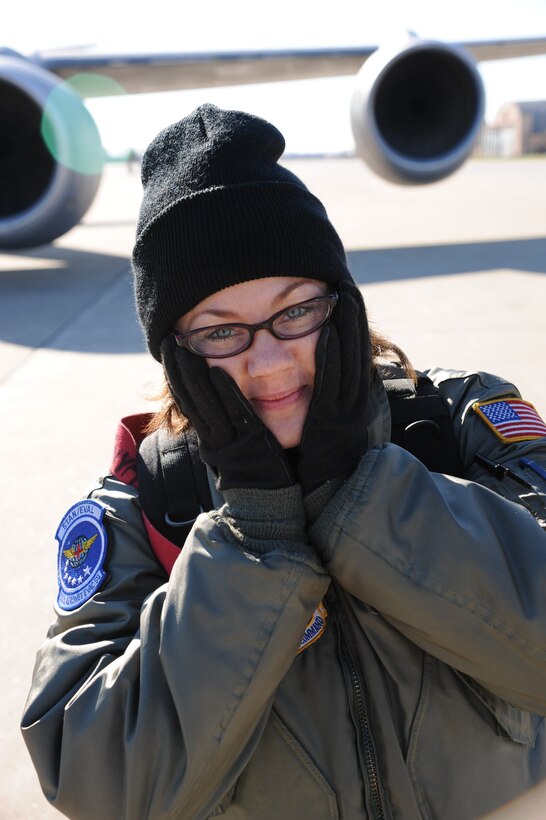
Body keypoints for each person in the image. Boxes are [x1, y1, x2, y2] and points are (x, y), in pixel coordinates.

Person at [21, 103, 546, 820]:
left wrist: (364, 496)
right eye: (221, 331)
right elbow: (100, 785)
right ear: (175, 351)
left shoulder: (458, 422)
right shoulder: (139, 508)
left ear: (345, 307)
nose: (269, 365)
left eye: (295, 311)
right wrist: (253, 542)